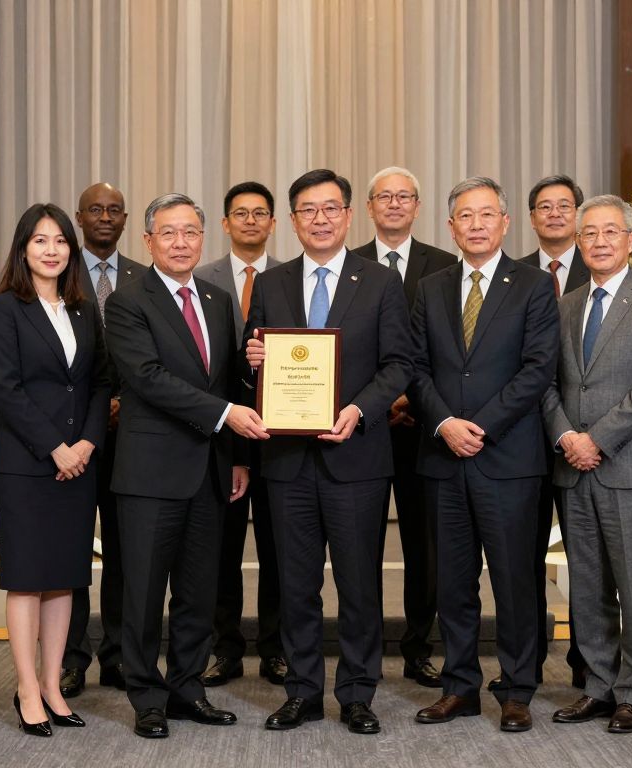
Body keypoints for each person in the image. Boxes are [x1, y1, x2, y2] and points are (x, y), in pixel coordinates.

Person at [245, 169, 413, 735]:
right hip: (286, 463)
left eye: (330, 208)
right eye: (308, 211)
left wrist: (359, 410)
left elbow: (399, 364)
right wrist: (253, 362)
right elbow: (254, 361)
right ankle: (302, 692)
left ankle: (358, 692)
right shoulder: (271, 283)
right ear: (292, 222)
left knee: (359, 583)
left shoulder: (381, 282)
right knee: (294, 584)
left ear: (348, 215)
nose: (320, 219)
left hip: (357, 459)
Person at [105, 193, 265, 739]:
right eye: (168, 233)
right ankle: (147, 696)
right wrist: (226, 414)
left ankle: (188, 689)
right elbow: (147, 378)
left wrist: (254, 369)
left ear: (204, 238)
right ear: (147, 241)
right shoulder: (127, 302)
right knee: (145, 593)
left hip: (213, 470)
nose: (181, 242)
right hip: (151, 472)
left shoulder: (220, 301)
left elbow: (224, 381)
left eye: (191, 232)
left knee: (200, 590)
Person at [409, 176, 558, 733]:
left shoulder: (533, 286)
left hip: (509, 459)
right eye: (464, 217)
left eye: (485, 215)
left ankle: (517, 689)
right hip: (445, 458)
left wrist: (482, 425)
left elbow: (538, 368)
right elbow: (416, 367)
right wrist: (446, 423)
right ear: (450, 227)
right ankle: (460, 686)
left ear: (505, 223)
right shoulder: (432, 287)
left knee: (516, 581)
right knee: (453, 581)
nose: (475, 225)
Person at [543, 195, 632, 734]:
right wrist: (566, 438)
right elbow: (550, 384)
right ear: (578, 243)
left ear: (630, 239)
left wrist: (596, 440)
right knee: (588, 584)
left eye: (610, 232)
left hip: (629, 466)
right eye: (589, 234)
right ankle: (599, 687)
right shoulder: (568, 303)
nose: (599, 242)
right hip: (573, 466)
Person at [0, 203, 110, 737]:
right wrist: (55, 447)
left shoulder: (84, 310)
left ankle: (55, 685)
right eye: (40, 240)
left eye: (60, 241)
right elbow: (5, 390)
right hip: (28, 466)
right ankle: (27, 689)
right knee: (27, 580)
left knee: (64, 580)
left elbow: (101, 383)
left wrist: (84, 443)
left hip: (77, 465)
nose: (52, 249)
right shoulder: (5, 309)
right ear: (23, 249)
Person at [357, 166, 455, 688]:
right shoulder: (347, 265)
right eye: (384, 197)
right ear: (369, 208)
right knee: (361, 547)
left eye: (404, 197)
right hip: (364, 428)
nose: (394, 204)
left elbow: (448, 347)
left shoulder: (444, 265)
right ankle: (365, 648)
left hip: (424, 427)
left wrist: (413, 397)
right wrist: (379, 401)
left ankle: (419, 647)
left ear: (417, 206)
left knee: (425, 547)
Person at [195, 181, 286, 688]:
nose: (250, 221)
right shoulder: (201, 279)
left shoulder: (293, 278)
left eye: (260, 214)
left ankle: (275, 648)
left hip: (279, 435)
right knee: (221, 550)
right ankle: (224, 648)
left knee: (278, 549)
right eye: (240, 214)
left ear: (273, 224)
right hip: (220, 435)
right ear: (225, 224)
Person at [60, 182, 147, 699]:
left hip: (132, 435)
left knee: (125, 551)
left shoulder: (143, 278)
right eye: (96, 209)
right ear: (79, 216)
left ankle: (117, 653)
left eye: (115, 210)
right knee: (73, 551)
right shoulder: (57, 273)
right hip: (73, 440)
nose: (105, 217)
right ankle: (71, 656)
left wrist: (122, 404)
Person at [516, 174, 590, 690]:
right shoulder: (513, 275)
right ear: (530, 217)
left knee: (587, 561)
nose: (555, 214)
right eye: (544, 206)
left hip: (588, 443)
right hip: (523, 441)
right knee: (523, 556)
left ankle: (590, 663)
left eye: (565, 205)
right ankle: (530, 661)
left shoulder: (607, 266)